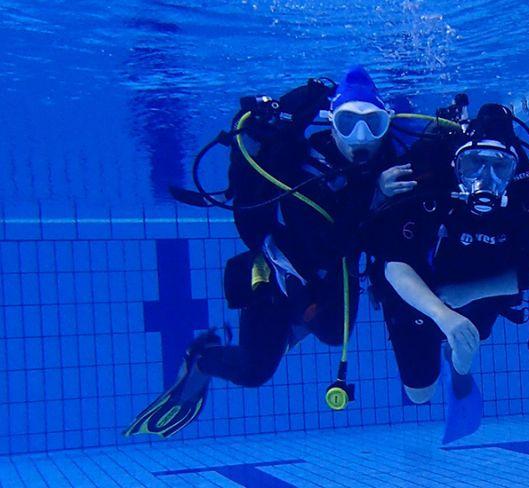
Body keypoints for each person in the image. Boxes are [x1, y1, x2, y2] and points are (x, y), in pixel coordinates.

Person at [125, 66, 399, 438]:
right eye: (348, 123)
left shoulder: (385, 163)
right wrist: (374, 193)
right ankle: (203, 358)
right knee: (254, 371)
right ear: (332, 123)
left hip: (331, 278)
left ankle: (287, 329)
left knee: (336, 334)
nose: (360, 137)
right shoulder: (301, 167)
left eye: (374, 124)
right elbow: (327, 243)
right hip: (276, 278)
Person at [367, 103, 529, 443]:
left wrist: (471, 292)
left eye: (499, 167)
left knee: (464, 340)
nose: (485, 178)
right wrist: (443, 314)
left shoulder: (521, 196)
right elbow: (394, 264)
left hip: (483, 287)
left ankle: (460, 368)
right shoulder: (429, 181)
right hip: (418, 291)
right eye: (473, 164)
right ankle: (454, 353)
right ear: (456, 162)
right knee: (419, 394)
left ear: (513, 169)